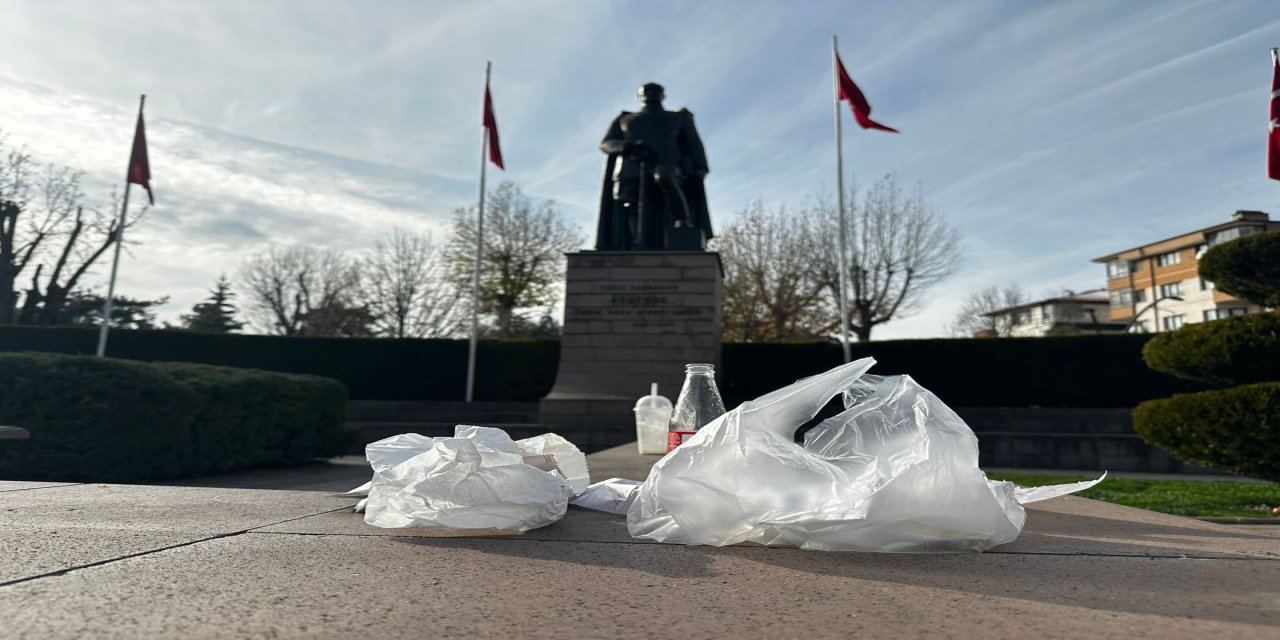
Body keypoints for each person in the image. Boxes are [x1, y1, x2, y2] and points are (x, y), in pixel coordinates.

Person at [596, 83, 712, 250]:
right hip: (632, 166)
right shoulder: (624, 119)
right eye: (646, 91)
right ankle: (632, 240)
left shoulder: (678, 117)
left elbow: (694, 143)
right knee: (630, 203)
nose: (651, 94)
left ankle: (683, 220)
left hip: (668, 162)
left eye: (655, 91)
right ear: (640, 96)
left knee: (665, 178)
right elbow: (606, 143)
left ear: (663, 95)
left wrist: (701, 166)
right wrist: (628, 147)